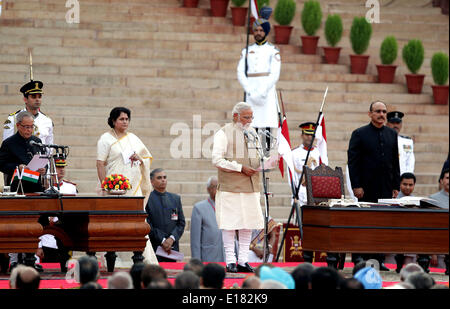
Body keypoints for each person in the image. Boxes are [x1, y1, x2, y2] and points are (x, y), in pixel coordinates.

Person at [211, 102, 278, 273]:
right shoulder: (223, 133)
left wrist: (267, 162)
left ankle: (243, 260)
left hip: (251, 186)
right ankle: (230, 261)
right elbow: (217, 160)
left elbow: (256, 158)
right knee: (230, 224)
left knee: (248, 224)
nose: (250, 120)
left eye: (251, 117)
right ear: (235, 116)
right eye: (246, 117)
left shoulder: (253, 133)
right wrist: (240, 168)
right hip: (230, 186)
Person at [96, 107, 157, 266]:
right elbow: (100, 163)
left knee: (138, 223)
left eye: (127, 119)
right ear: (113, 120)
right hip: (113, 189)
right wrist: (105, 186)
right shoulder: (106, 139)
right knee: (112, 224)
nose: (125, 122)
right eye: (122, 119)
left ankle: (145, 260)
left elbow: (146, 158)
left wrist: (140, 159)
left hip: (133, 188)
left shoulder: (133, 138)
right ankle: (110, 260)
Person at [347, 101, 400, 269]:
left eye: (384, 111)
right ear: (370, 114)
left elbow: (395, 161)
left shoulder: (392, 134)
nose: (382, 114)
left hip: (385, 187)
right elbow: (353, 163)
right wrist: (356, 185)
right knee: (363, 223)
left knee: (381, 225)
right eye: (378, 111)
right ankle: (359, 258)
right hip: (365, 187)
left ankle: (378, 260)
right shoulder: (359, 134)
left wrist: (395, 185)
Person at [237, 8, 280, 152]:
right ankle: (252, 152)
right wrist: (249, 90)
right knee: (251, 122)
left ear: (266, 32)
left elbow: (274, 73)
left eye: (261, 30)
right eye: (256, 30)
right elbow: (240, 71)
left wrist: (262, 91)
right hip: (251, 89)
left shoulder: (273, 51)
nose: (258, 33)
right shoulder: (246, 51)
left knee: (266, 123)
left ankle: (266, 154)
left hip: (266, 91)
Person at [0, 111, 46, 193]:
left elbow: (43, 160)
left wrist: (44, 169)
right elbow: (2, 164)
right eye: (27, 127)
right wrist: (18, 167)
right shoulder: (8, 143)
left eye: (32, 127)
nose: (30, 130)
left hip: (36, 187)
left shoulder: (37, 141)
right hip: (17, 188)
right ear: (18, 125)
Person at [145, 168, 186, 262]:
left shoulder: (175, 199)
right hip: (155, 246)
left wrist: (171, 238)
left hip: (172, 246)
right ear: (151, 181)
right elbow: (148, 224)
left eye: (164, 177)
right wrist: (163, 240)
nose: (163, 180)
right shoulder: (147, 199)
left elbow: (181, 223)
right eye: (159, 178)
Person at [3, 80, 53, 145]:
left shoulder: (47, 120)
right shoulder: (13, 119)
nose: (37, 99)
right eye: (33, 97)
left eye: (39, 96)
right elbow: (6, 144)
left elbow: (49, 147)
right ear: (25, 99)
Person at [190, 176, 224, 262]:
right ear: (208, 189)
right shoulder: (199, 208)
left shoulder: (227, 207)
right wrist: (196, 262)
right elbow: (195, 240)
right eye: (215, 186)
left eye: (220, 186)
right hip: (208, 256)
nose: (218, 189)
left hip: (226, 256)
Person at [291, 122, 323, 206]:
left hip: (316, 192)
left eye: (312, 135)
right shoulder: (294, 153)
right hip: (301, 192)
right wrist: (294, 193)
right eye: (307, 134)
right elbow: (292, 175)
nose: (309, 137)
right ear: (302, 135)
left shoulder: (318, 152)